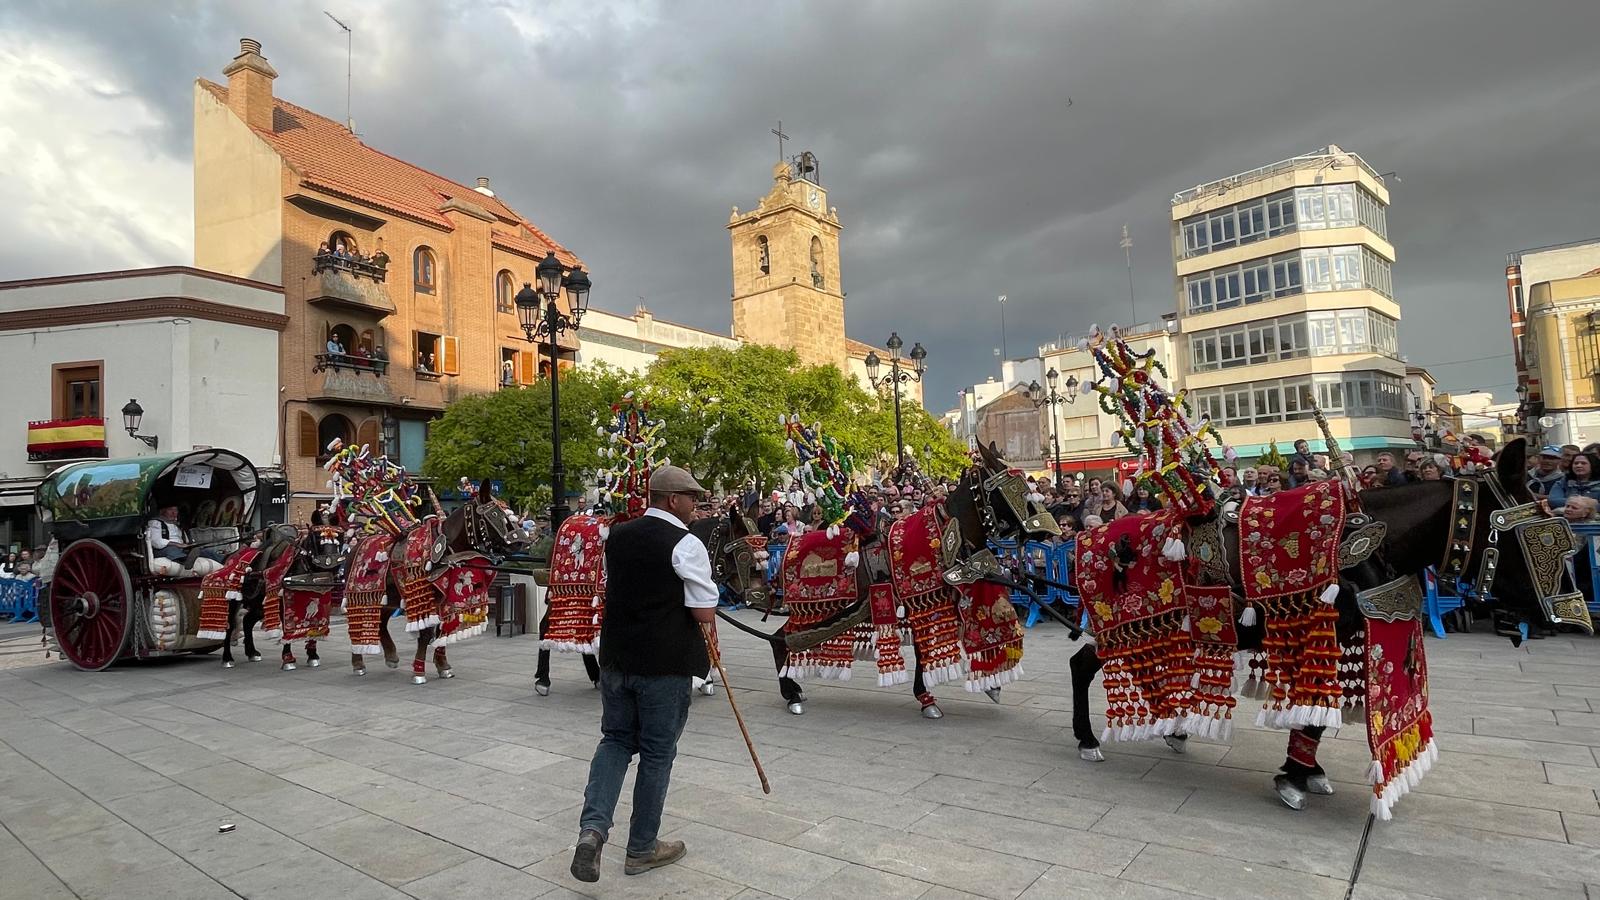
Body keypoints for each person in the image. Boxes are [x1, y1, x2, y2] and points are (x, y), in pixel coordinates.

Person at [571, 465, 716, 882]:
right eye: (691, 497)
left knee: (614, 741)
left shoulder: (617, 535)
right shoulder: (686, 543)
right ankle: (641, 848)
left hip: (617, 659)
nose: (696, 504)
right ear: (673, 500)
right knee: (656, 753)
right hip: (664, 665)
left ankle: (592, 831)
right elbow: (703, 611)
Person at [146, 505, 225, 567]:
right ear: (162, 511)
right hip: (163, 549)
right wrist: (177, 544)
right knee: (172, 550)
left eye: (175, 510)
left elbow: (184, 540)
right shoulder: (155, 522)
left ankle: (225, 559)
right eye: (170, 510)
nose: (174, 513)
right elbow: (156, 542)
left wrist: (190, 545)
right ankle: (185, 560)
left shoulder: (177, 524)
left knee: (204, 551)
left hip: (181, 549)